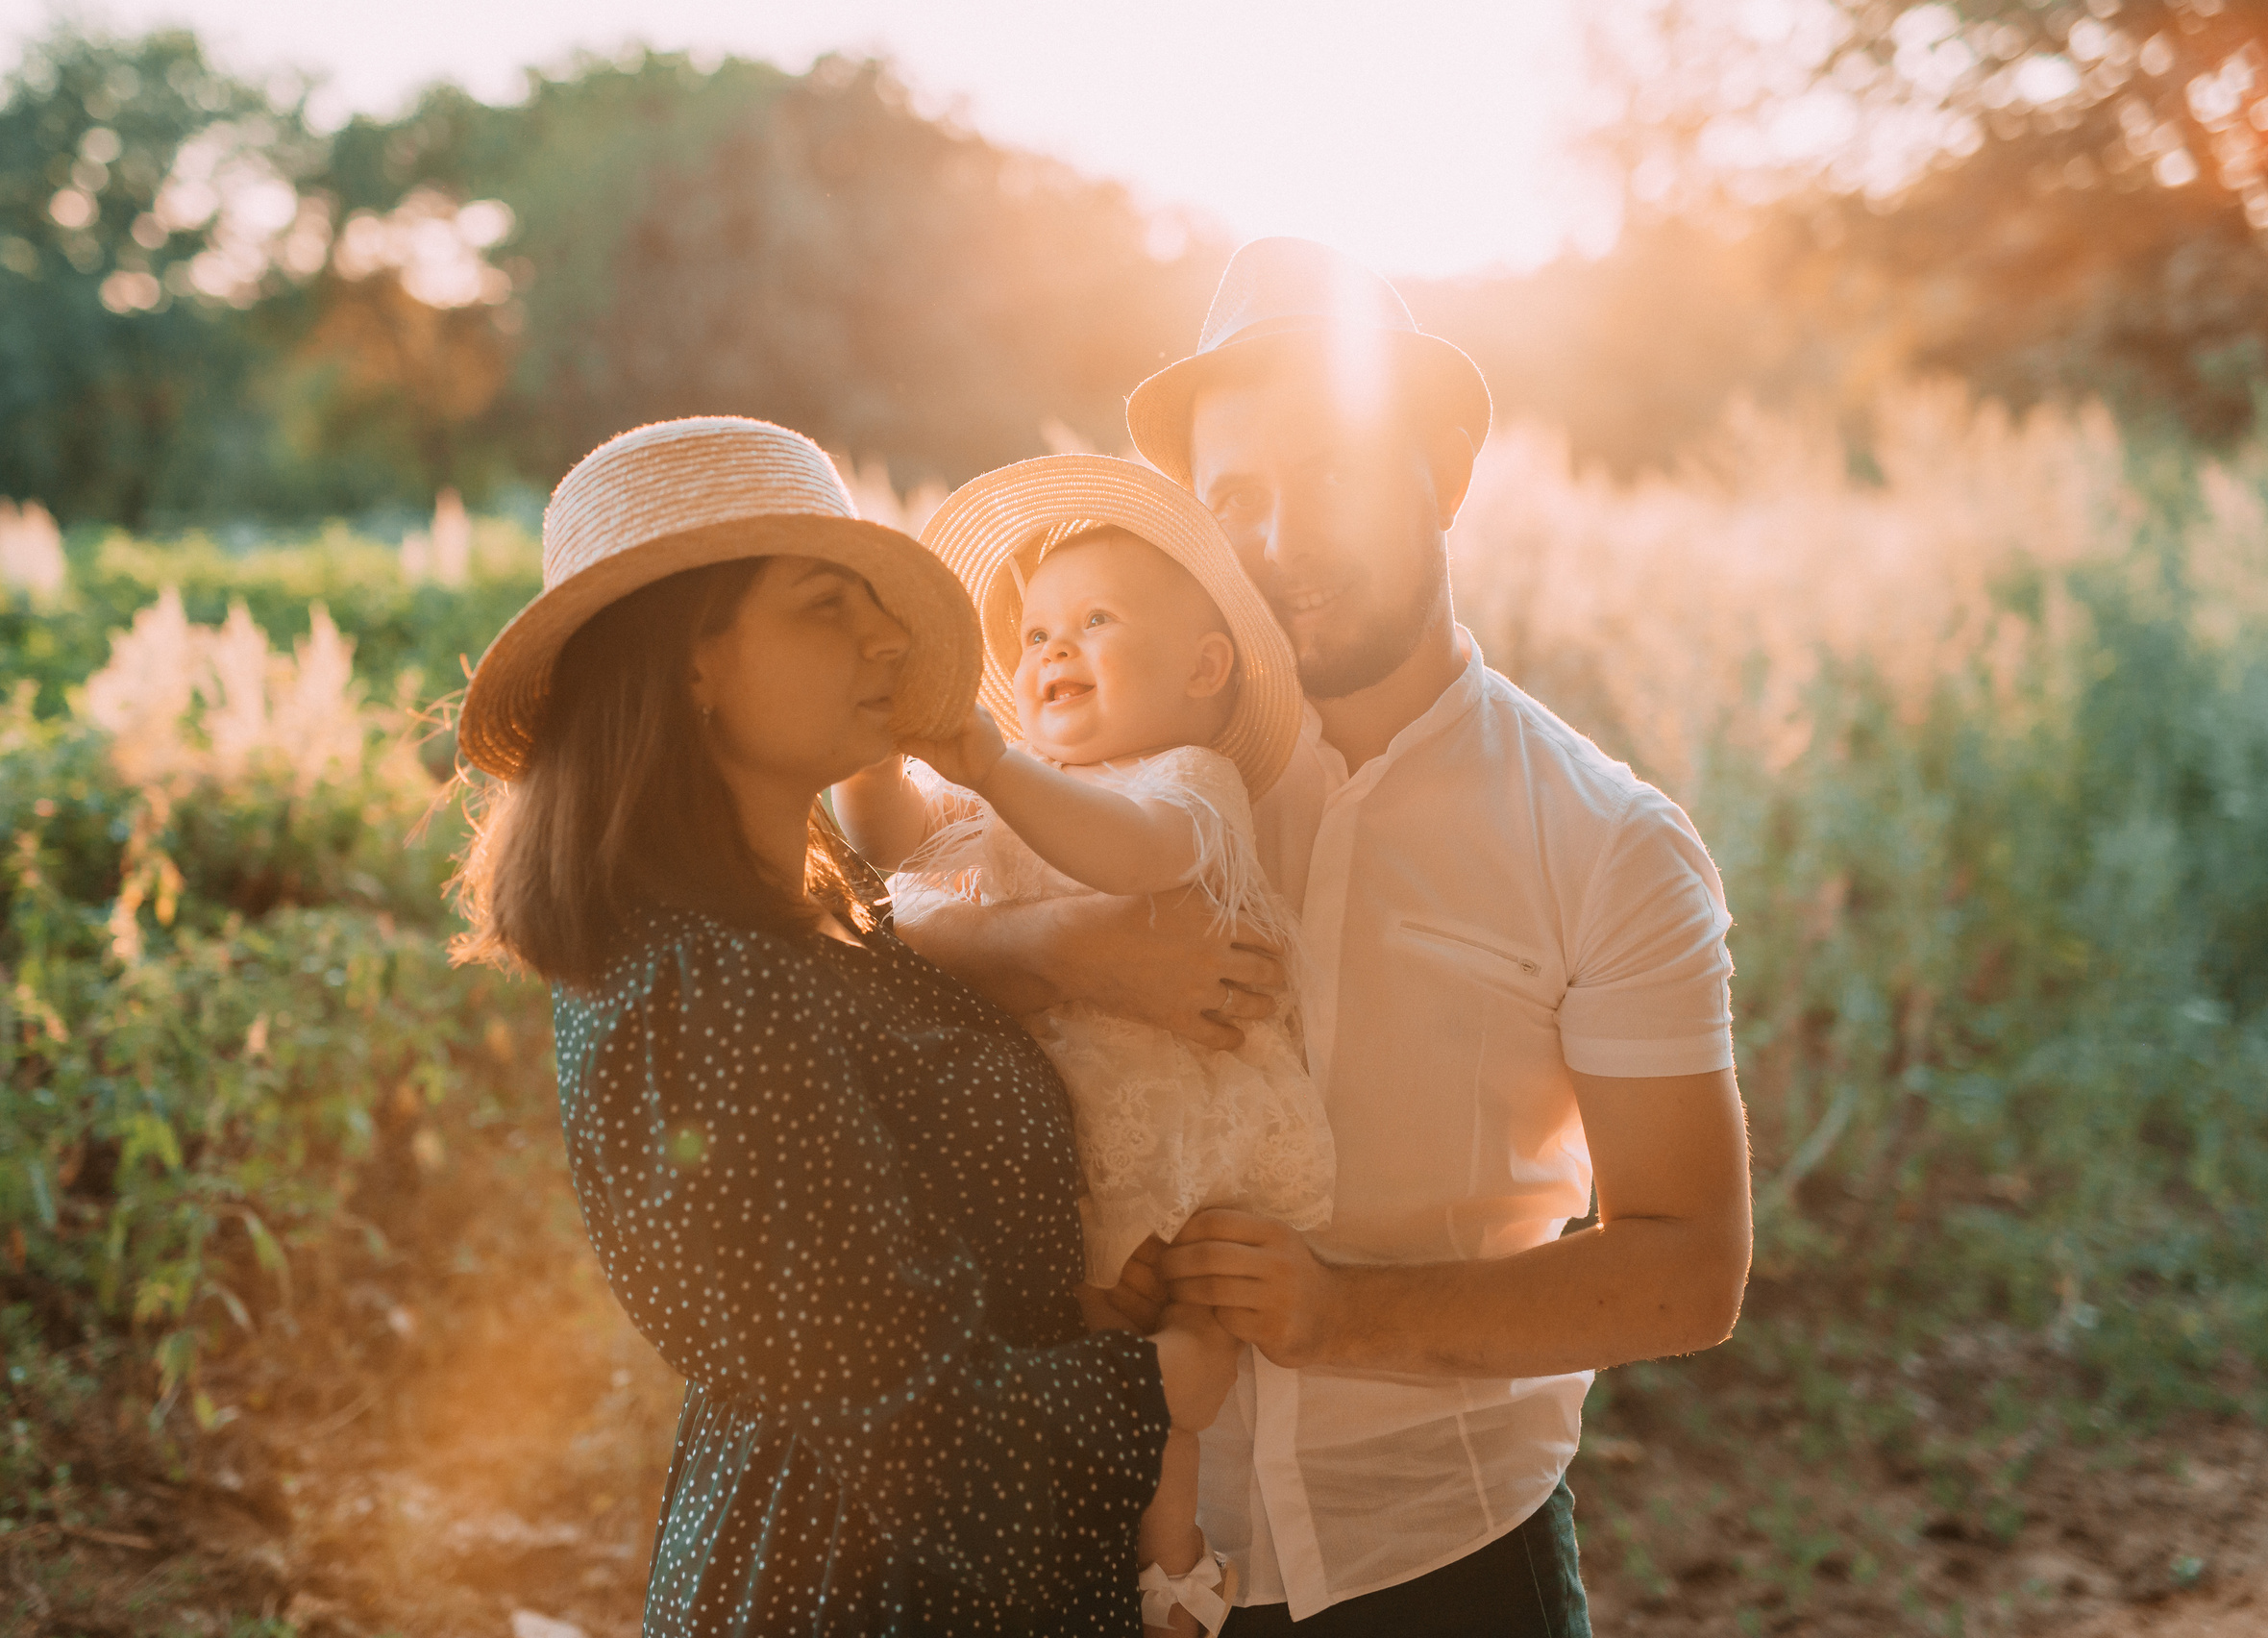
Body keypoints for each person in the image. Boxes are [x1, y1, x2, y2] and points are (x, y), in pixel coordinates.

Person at [900, 240, 1755, 1636]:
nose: (1281, 540)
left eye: (1337, 472)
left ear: (1447, 471)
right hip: (1117, 1551)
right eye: (1235, 497)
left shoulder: (1606, 838)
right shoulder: (1111, 780)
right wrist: (1061, 951)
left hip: (1449, 1561)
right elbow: (881, 934)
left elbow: (1687, 1266)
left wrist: (1343, 1315)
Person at [448, 415, 1239, 1637]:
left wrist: (1061, 1316)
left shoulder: (813, 917)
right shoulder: (707, 996)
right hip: (855, 1591)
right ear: (688, 666)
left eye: (875, 601)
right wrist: (1162, 1381)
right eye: (826, 606)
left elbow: (871, 1302)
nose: (884, 636)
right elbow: (918, 1444)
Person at [832, 455, 1337, 1634]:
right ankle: (1106, 1558)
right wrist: (878, 737)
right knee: (1096, 1348)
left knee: (1171, 1332)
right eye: (1037, 631)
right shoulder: (1021, 793)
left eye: (1095, 623)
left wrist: (1001, 768)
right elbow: (889, 840)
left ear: (1205, 667)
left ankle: (1171, 1560)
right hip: (1063, 1146)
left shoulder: (1186, 780)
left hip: (1179, 1138)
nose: (1053, 649)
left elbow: (1132, 859)